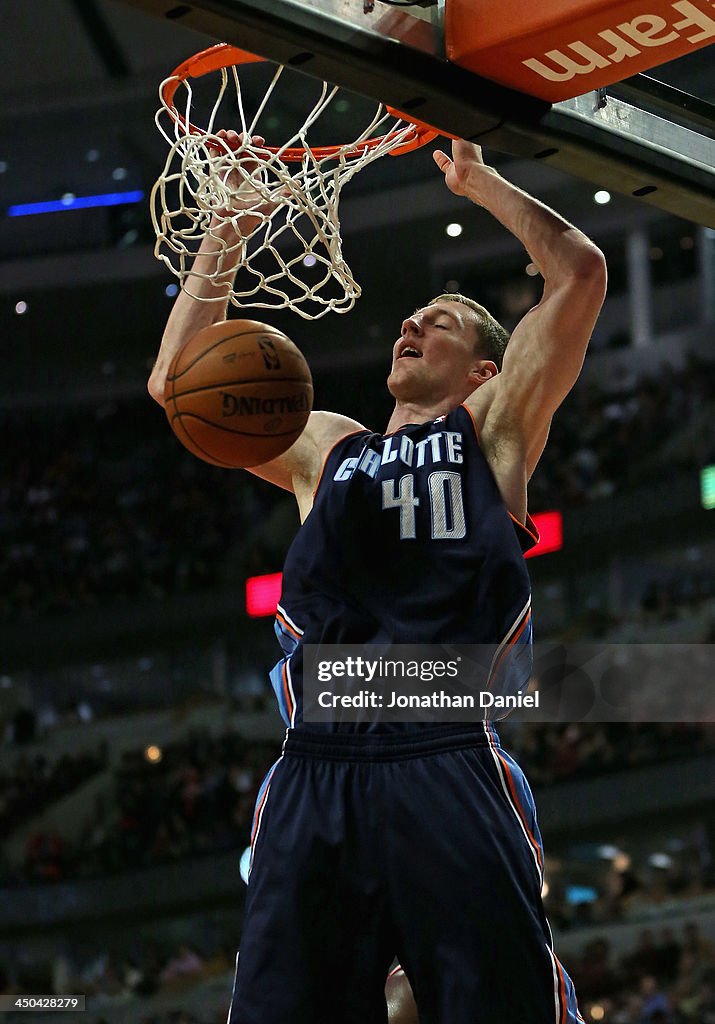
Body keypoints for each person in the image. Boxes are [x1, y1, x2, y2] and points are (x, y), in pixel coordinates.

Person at [149, 136, 607, 1023]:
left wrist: (480, 183)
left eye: (438, 319)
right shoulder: (326, 448)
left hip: (444, 745)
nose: (410, 325)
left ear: (485, 368)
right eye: (410, 317)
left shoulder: (494, 429)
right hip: (315, 761)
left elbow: (579, 271)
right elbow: (177, 384)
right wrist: (228, 235)